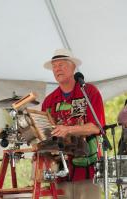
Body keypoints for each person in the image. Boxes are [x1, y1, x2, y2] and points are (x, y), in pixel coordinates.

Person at [41, 48, 105, 198]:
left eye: (61, 65)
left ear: (73, 67)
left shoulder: (89, 92)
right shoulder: (49, 100)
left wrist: (68, 129)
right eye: (54, 67)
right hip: (59, 171)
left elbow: (96, 127)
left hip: (88, 169)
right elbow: (44, 133)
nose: (57, 69)